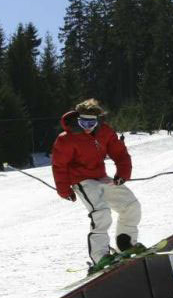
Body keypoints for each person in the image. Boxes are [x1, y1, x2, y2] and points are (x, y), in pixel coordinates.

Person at [51, 98, 143, 272]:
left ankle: (127, 244)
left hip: (101, 177)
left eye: (91, 122)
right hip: (82, 181)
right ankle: (100, 257)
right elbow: (59, 165)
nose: (87, 126)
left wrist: (122, 174)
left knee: (131, 206)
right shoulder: (67, 139)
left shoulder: (105, 132)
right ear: (78, 119)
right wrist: (64, 189)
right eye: (83, 121)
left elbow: (120, 153)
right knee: (101, 214)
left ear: (98, 120)